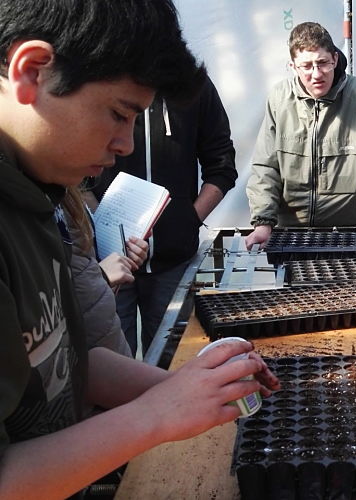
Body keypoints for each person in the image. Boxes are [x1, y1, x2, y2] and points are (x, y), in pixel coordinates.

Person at [0, 1, 280, 498]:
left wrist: (180, 386)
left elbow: (64, 359)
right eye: (118, 113)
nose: (126, 145)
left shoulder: (38, 195)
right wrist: (157, 415)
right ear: (33, 70)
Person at [91, 73, 237, 356]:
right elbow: (78, 174)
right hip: (106, 260)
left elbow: (221, 164)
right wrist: (100, 227)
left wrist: (189, 220)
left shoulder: (194, 84)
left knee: (168, 360)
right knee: (111, 361)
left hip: (173, 260)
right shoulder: (100, 77)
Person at [244, 22, 356, 250]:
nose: (316, 74)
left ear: (335, 59)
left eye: (323, 63)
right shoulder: (279, 99)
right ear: (293, 66)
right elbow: (266, 168)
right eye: (306, 66)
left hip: (351, 238)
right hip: (290, 237)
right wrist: (263, 223)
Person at [61, 185, 149, 357]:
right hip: (84, 359)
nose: (117, 157)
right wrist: (102, 275)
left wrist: (123, 253)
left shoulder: (65, 194)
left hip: (102, 346)